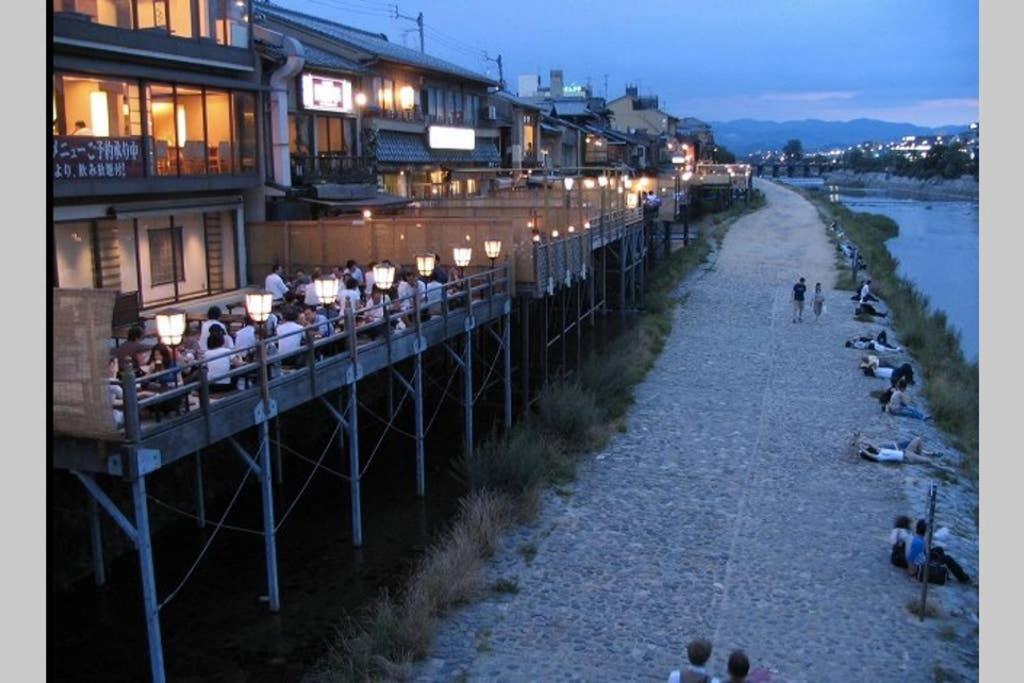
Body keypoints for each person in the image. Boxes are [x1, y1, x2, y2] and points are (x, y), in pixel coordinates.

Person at [906, 519, 971, 584]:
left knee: (939, 549)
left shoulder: (916, 537)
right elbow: (911, 559)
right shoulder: (920, 543)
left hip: (921, 558)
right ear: (926, 531)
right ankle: (964, 579)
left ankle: (950, 572)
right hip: (920, 566)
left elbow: (920, 552)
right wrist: (912, 572)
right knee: (948, 559)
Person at [204, 328, 235, 394]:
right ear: (222, 341)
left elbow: (206, 366)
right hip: (225, 385)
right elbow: (238, 363)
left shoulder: (207, 353)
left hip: (211, 385)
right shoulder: (227, 351)